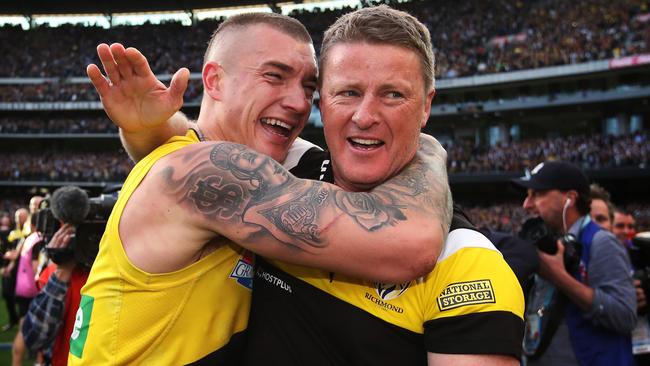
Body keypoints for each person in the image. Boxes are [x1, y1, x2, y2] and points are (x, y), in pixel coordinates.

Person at [112, 6, 524, 365]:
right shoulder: (282, 170)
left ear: (426, 106)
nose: (365, 116)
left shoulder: (466, 260)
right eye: (347, 92)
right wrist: (431, 153)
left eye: (393, 95)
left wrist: (429, 152)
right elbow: (195, 151)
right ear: (322, 103)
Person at [514, 161, 637, 366]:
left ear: (569, 198)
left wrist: (559, 277)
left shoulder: (601, 242)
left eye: (537, 194)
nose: (526, 204)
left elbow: (624, 316)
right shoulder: (546, 242)